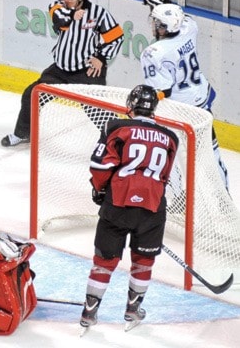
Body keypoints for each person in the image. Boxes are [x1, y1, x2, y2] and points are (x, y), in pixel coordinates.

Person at [80, 85, 179, 332]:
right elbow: (166, 176)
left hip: (117, 204)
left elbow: (100, 167)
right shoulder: (171, 138)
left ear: (130, 105)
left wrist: (100, 190)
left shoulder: (117, 127)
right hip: (153, 207)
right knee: (143, 259)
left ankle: (90, 312)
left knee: (104, 259)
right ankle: (132, 310)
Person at [1, 0, 124, 147]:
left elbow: (117, 37)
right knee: (32, 95)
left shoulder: (98, 13)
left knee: (96, 109)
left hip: (86, 71)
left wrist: (101, 58)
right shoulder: (57, 6)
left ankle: (118, 142)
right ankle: (23, 133)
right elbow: (60, 21)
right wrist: (73, 15)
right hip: (59, 70)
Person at [138, 0, 229, 191]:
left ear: (163, 28)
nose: (153, 25)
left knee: (168, 149)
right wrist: (156, 0)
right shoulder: (190, 27)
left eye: (156, 23)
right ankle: (224, 197)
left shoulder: (154, 53)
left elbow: (165, 91)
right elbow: (177, 14)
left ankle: (177, 194)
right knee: (211, 153)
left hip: (179, 110)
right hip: (201, 102)